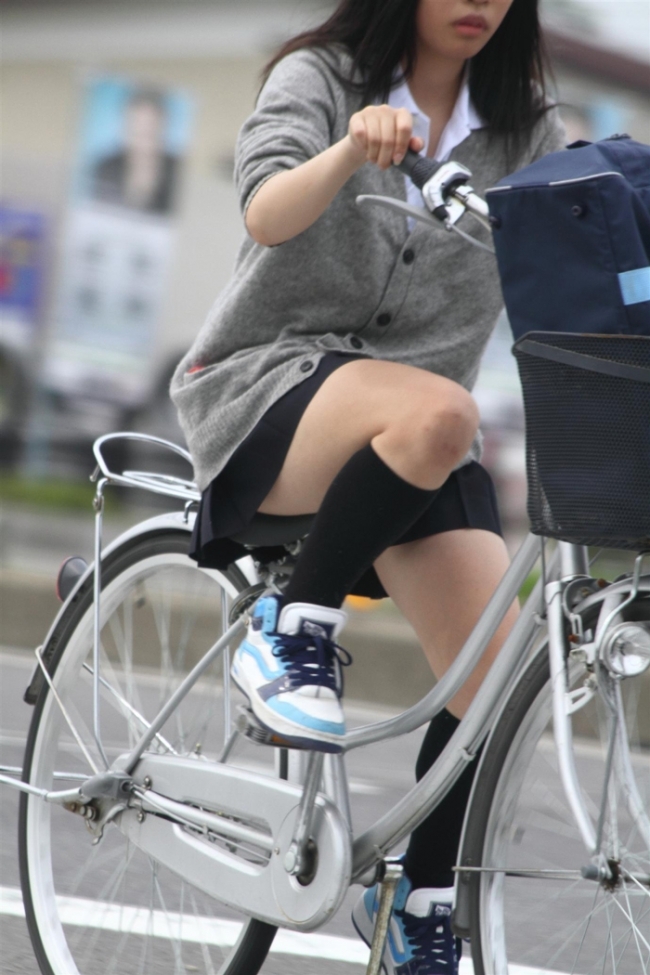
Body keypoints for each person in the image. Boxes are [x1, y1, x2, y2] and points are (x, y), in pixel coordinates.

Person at [171, 1, 565, 971]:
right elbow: (265, 211)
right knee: (441, 414)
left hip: (417, 437)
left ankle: (416, 900)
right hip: (268, 386)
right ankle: (288, 631)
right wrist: (351, 147)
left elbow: (570, 266)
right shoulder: (321, 78)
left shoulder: (528, 131)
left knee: (495, 674)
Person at [91, 90, 179, 214]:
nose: (142, 138)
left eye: (150, 129)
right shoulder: (105, 169)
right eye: (136, 129)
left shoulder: (178, 172)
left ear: (163, 127)